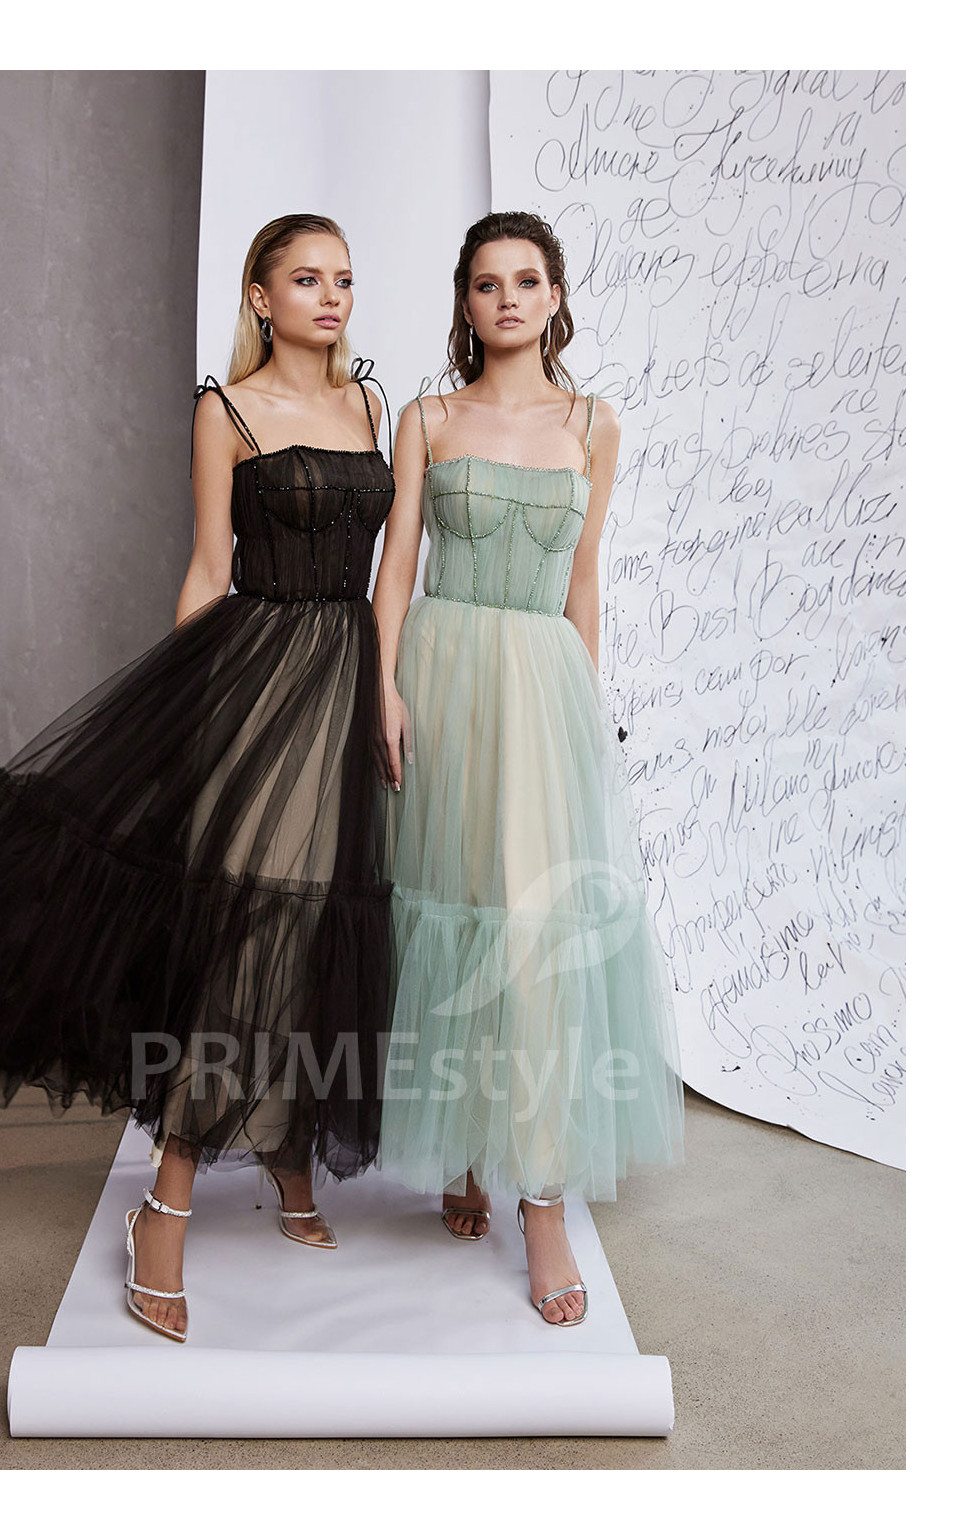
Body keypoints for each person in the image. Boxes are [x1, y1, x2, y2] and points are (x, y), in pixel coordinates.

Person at [0, 213, 396, 1343]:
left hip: (345, 683)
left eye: (343, 279)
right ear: (261, 296)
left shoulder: (373, 406)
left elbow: (384, 580)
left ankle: (286, 1151)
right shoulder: (224, 410)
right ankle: (164, 1205)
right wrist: (186, 718)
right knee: (247, 934)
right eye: (307, 279)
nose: (332, 297)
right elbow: (209, 569)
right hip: (255, 686)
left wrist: (385, 687)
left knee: (318, 928)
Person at [372, 211, 685, 1326]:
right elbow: (395, 567)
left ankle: (541, 1200)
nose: (506, 298)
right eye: (486, 283)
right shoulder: (427, 417)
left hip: (542, 683)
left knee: (537, 932)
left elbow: (583, 577)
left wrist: (584, 709)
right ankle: (463, 1149)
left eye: (526, 280)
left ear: (554, 296)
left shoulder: (594, 423)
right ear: (464, 302)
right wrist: (384, 688)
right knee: (451, 910)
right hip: (443, 674)